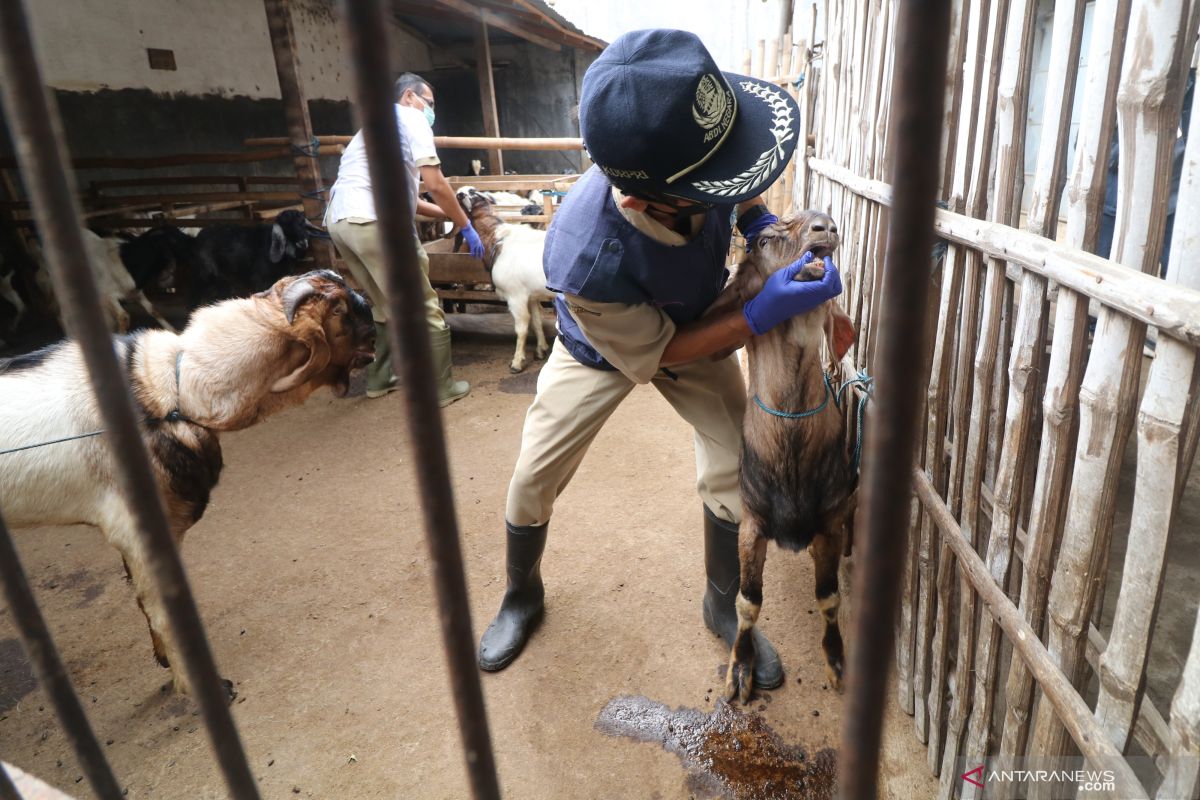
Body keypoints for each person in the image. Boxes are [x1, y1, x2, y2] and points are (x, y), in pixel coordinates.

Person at [477, 29, 843, 691]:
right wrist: (758, 314)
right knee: (534, 471)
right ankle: (521, 593)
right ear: (649, 200)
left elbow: (742, 185)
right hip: (605, 348)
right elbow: (664, 353)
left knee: (740, 454)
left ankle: (720, 599)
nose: (733, 180)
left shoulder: (684, 154)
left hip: (698, 318)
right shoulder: (585, 257)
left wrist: (760, 222)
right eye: (719, 179)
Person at [325, 72, 483, 404]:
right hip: (376, 222)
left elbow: (412, 200)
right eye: (430, 103)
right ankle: (442, 388)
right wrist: (465, 225)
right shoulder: (411, 119)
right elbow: (436, 183)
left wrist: (453, 216)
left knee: (383, 305)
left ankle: (380, 378)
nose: (431, 111)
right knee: (425, 305)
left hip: (341, 222)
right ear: (409, 97)